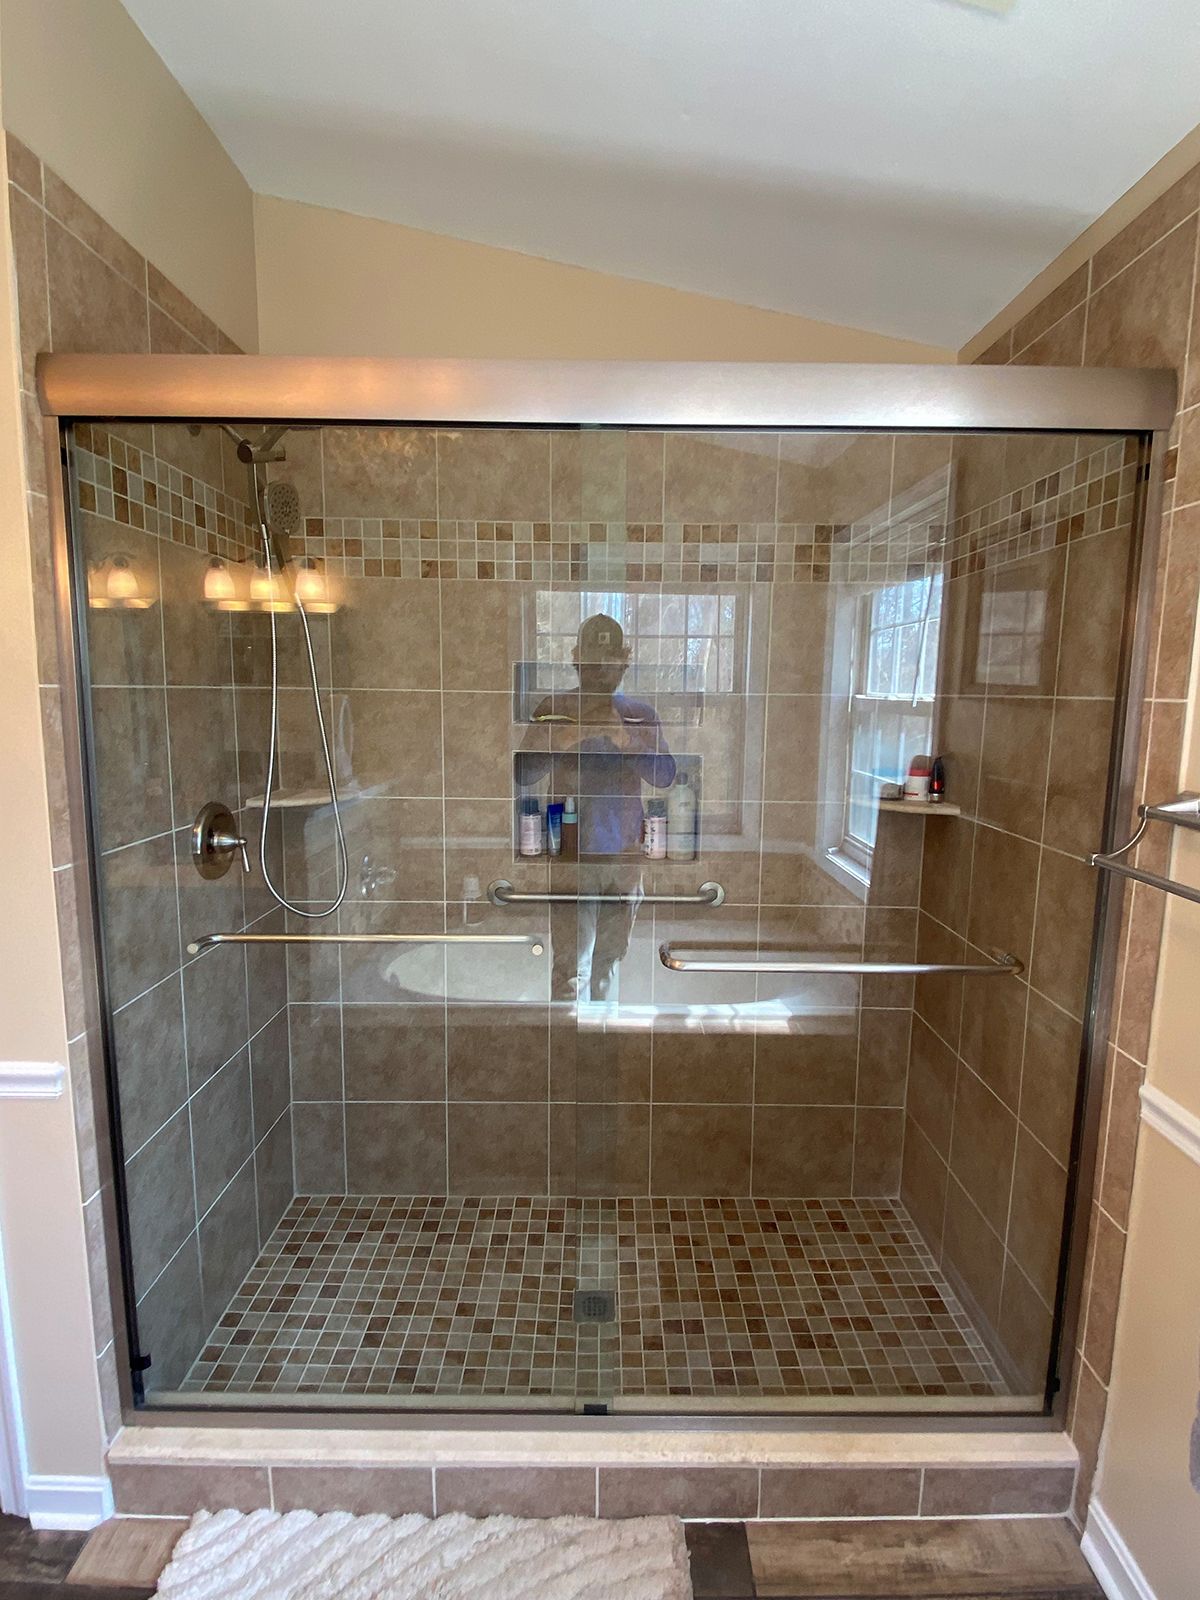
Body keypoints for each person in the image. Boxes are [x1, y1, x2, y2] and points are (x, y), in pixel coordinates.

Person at [515, 613, 675, 1001]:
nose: (602, 668)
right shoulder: (555, 707)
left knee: (608, 964)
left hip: (624, 859)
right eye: (593, 658)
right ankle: (569, 1056)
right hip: (570, 856)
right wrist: (563, 736)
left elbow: (666, 775)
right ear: (576, 658)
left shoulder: (638, 714)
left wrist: (625, 738)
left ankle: (601, 1053)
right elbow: (523, 772)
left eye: (610, 658)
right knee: (571, 971)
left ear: (625, 659)